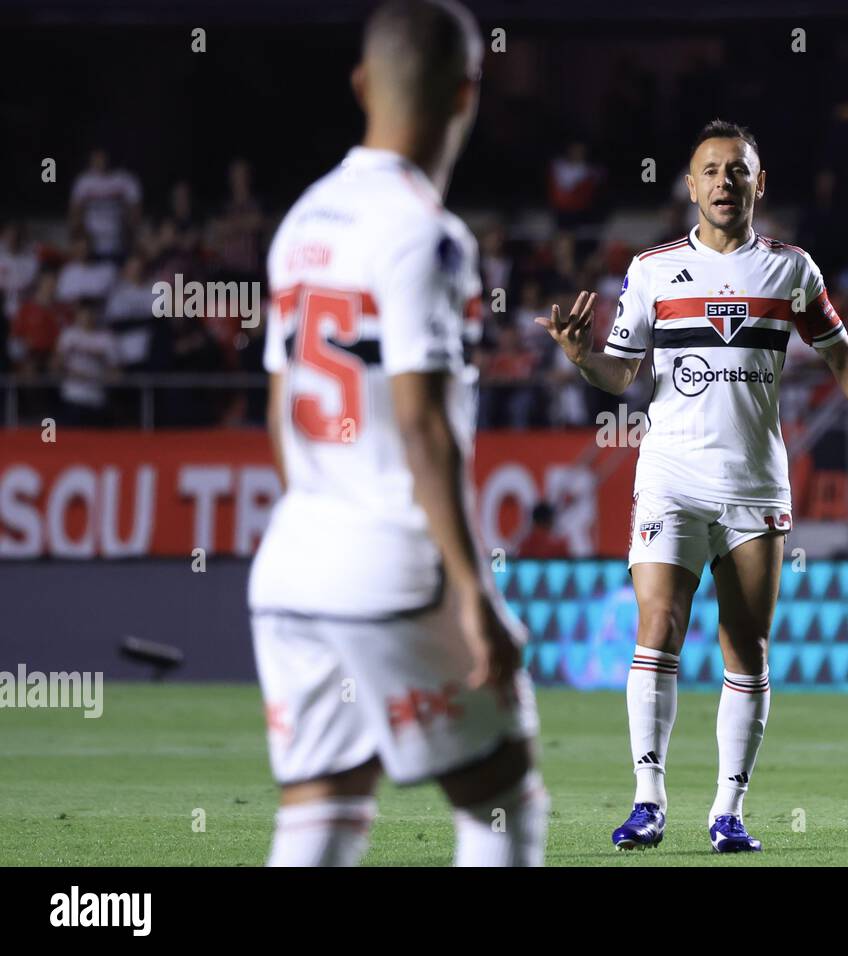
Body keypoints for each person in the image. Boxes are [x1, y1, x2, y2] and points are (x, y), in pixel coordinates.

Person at [535, 119, 848, 854]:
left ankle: (728, 811)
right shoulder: (650, 270)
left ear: (758, 184)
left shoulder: (791, 269)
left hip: (754, 482)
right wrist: (581, 359)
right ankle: (647, 801)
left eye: (738, 170)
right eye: (711, 170)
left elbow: (841, 355)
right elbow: (620, 373)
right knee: (659, 626)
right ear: (690, 185)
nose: (724, 182)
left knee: (747, 646)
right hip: (670, 475)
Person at [247, 0, 546, 868]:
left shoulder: (302, 222)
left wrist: (324, 511)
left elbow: (278, 412)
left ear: (359, 84)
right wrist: (474, 591)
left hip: (295, 564)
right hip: (391, 568)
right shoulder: (428, 236)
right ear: (468, 95)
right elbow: (421, 424)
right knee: (503, 802)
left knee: (322, 816)